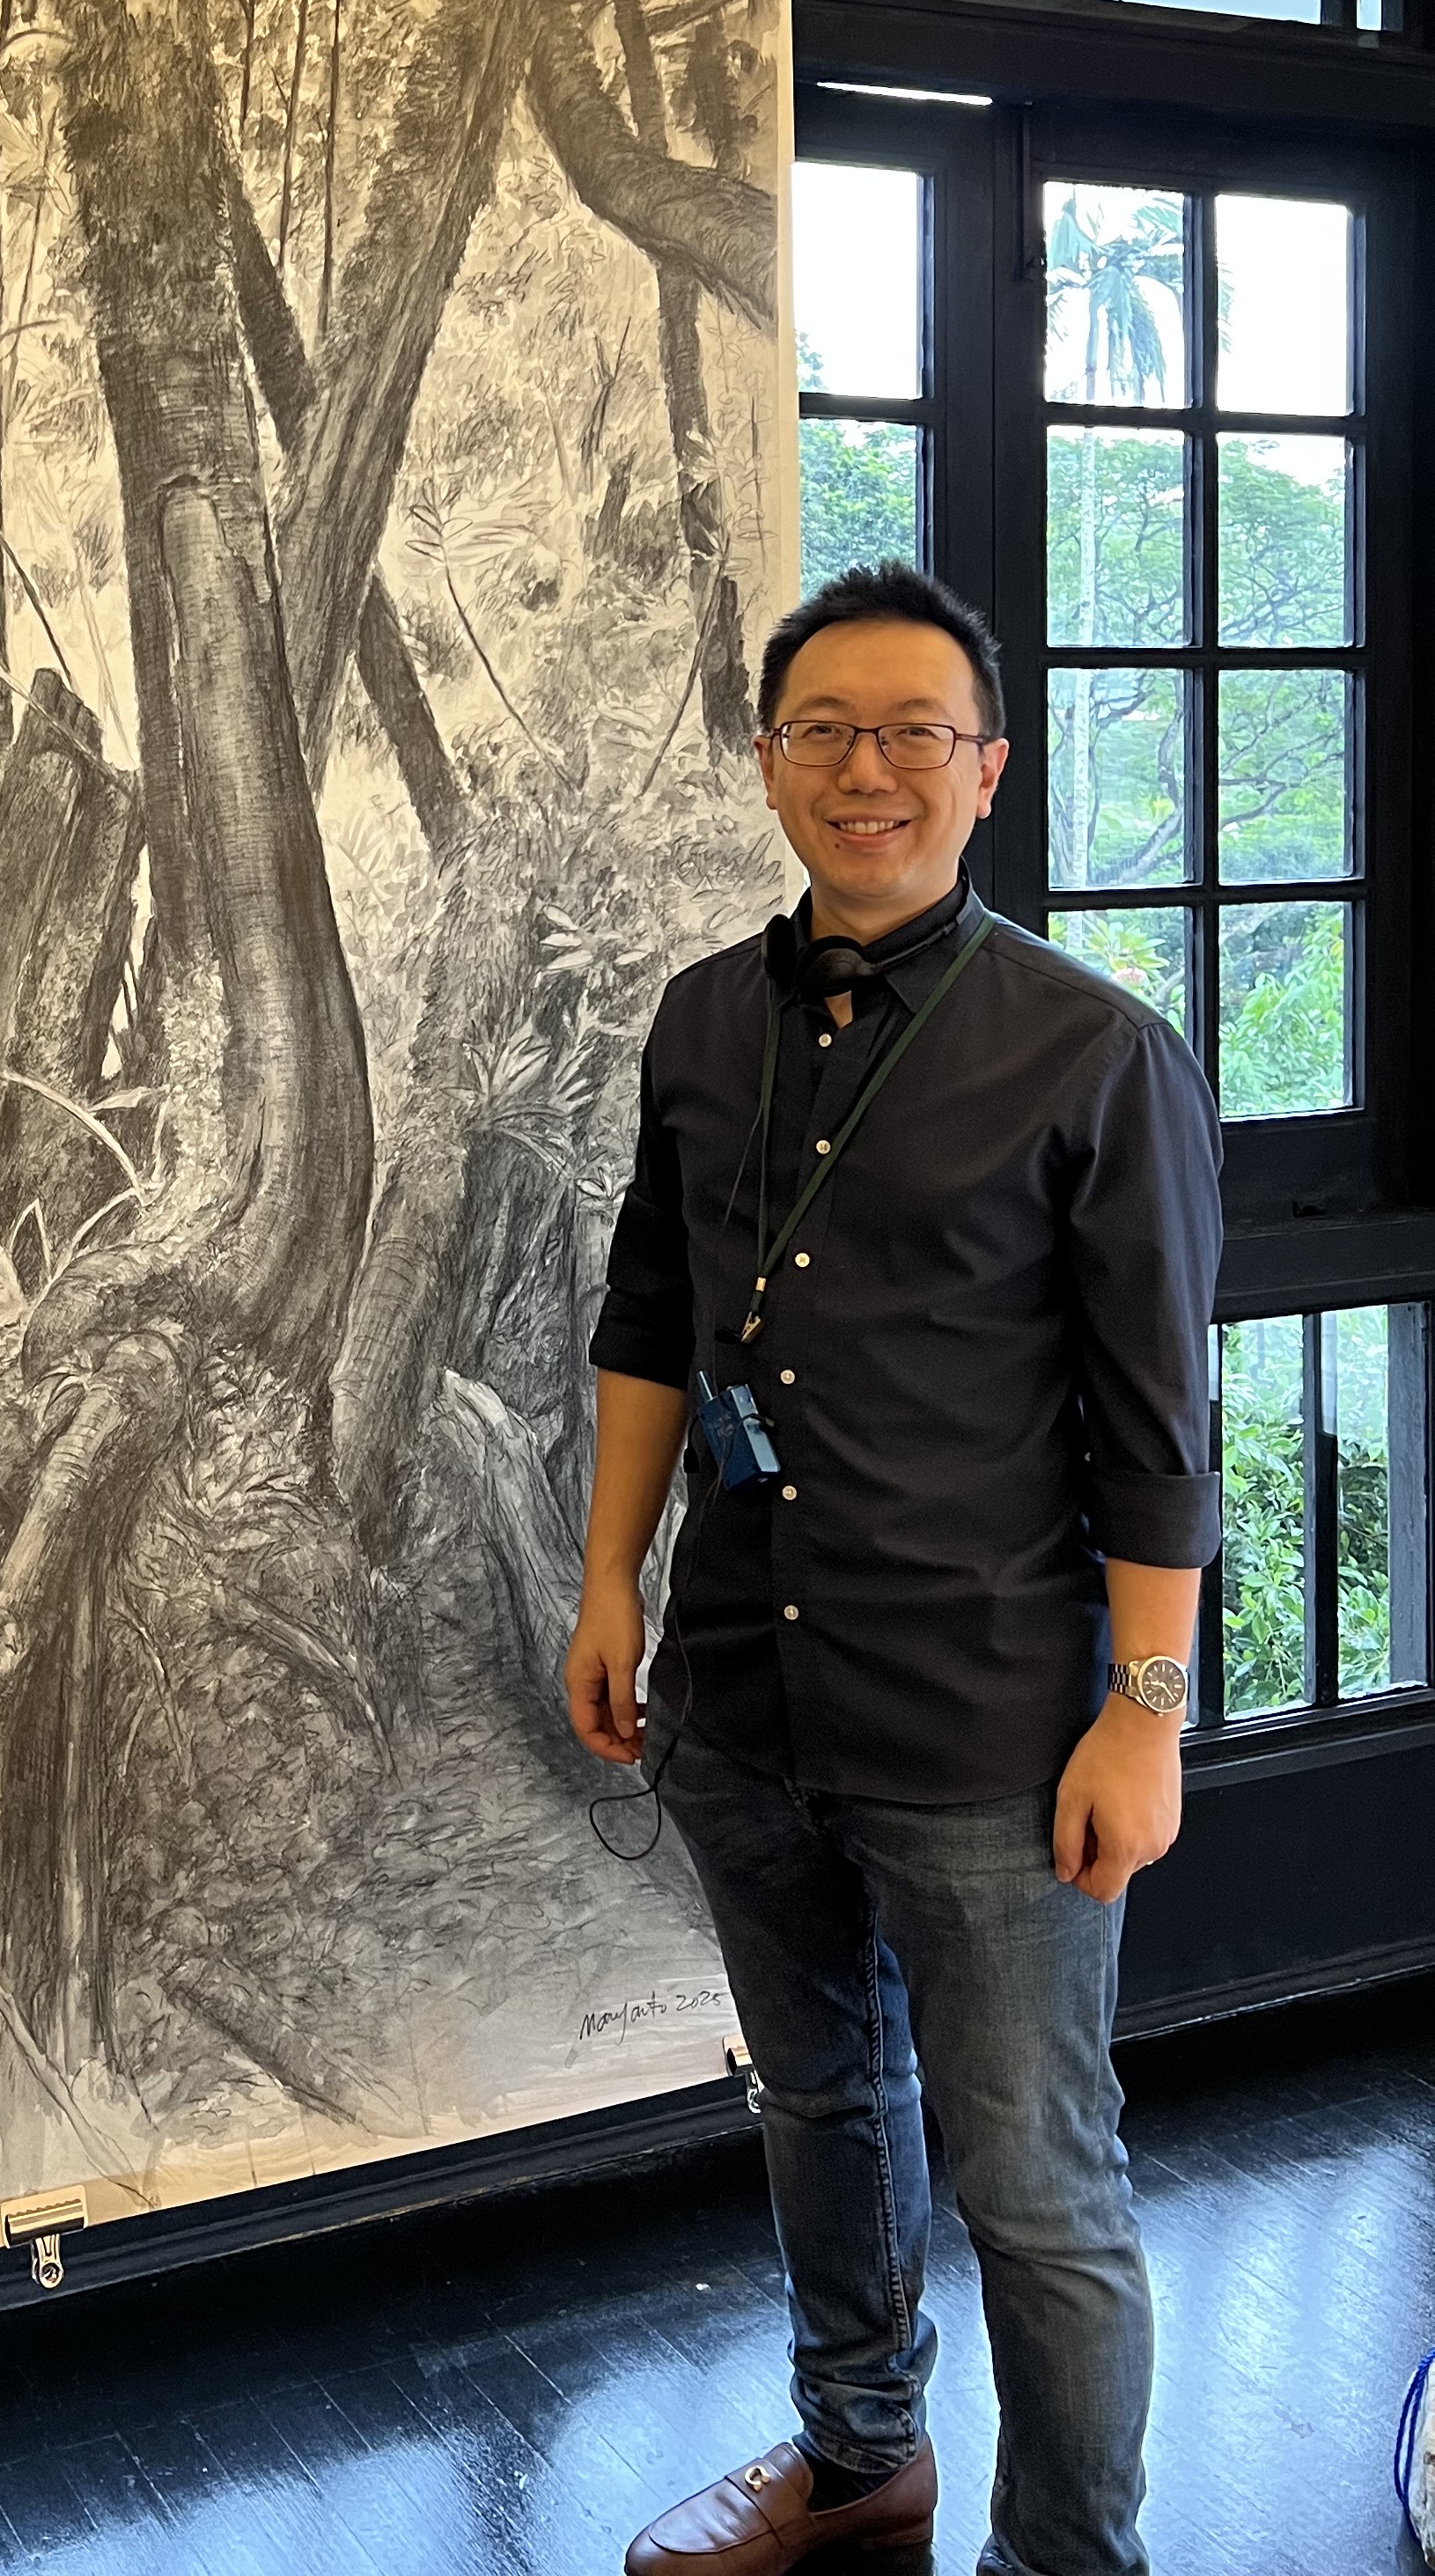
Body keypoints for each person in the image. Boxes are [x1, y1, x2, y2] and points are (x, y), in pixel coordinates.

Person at [566, 562, 1222, 2576]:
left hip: (992, 1726)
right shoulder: (700, 1019)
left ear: (989, 768)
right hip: (744, 1695)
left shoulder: (1098, 1050)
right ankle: (862, 2468)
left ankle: (1066, 2558)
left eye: (915, 732)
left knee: (1037, 2181)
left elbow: (1158, 1430)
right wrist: (610, 1585)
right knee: (819, 2108)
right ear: (767, 764)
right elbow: (653, 1321)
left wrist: (1144, 1711)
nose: (869, 770)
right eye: (824, 731)